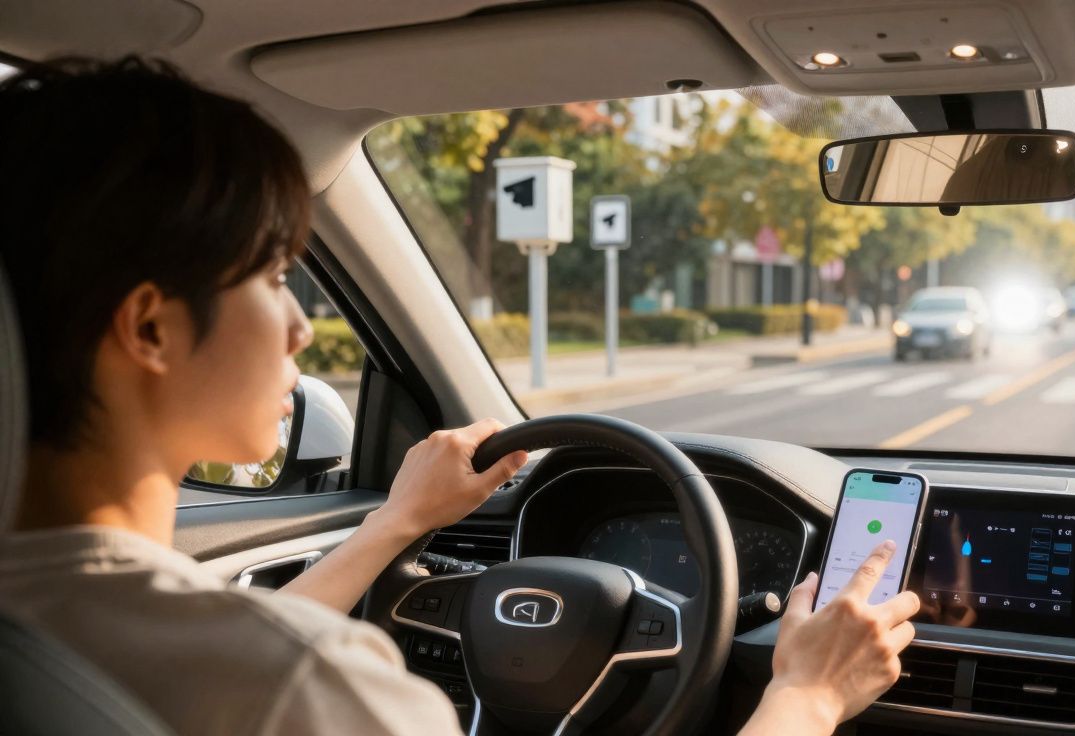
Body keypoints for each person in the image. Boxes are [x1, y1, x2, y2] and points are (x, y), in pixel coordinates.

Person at [0, 57, 920, 736]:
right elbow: (260, 663)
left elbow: (224, 649)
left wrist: (395, 525)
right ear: (150, 328)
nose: (299, 328)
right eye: (275, 277)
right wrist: (807, 695)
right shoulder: (311, 687)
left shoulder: (79, 633)